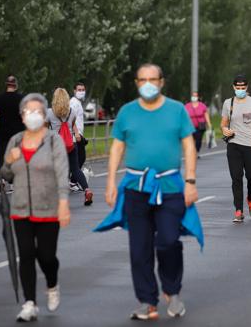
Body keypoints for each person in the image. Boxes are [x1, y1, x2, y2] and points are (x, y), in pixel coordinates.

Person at [102, 63, 199, 320]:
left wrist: (190, 181)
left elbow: (189, 146)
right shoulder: (127, 112)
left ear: (161, 82)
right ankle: (147, 300)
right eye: (142, 79)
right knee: (139, 248)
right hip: (136, 189)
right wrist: (111, 181)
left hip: (169, 188)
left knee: (168, 241)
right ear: (136, 83)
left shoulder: (176, 110)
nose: (147, 83)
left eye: (152, 79)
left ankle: (172, 291)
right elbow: (117, 148)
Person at [0, 93, 71, 322]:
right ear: (22, 116)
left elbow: (62, 173)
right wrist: (9, 161)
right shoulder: (15, 141)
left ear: (44, 114)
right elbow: (5, 175)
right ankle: (29, 303)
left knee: (47, 256)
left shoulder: (53, 141)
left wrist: (63, 203)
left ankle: (52, 283)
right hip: (21, 209)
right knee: (26, 255)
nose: (33, 116)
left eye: (37, 111)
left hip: (48, 209)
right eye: (28, 112)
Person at [221, 74, 251, 223]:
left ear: (246, 88)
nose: (240, 90)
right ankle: (238, 210)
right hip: (234, 145)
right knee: (236, 178)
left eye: (243, 88)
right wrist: (224, 130)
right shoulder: (228, 103)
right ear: (233, 87)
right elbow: (223, 123)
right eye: (237, 87)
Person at [46, 88, 93, 205]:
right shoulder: (71, 112)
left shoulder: (49, 112)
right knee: (76, 170)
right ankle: (87, 190)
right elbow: (72, 125)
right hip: (70, 145)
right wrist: (76, 134)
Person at [0, 75, 25, 181]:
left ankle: (1, 178)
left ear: (6, 85)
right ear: (16, 85)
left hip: (3, 131)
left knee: (2, 155)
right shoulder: (21, 98)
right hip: (17, 131)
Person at [69, 82, 88, 191]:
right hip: (76, 135)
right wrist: (76, 133)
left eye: (83, 89)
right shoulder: (73, 103)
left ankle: (73, 180)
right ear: (74, 91)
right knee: (80, 158)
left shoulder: (78, 102)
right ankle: (72, 181)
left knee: (78, 159)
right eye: (79, 90)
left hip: (79, 134)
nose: (81, 92)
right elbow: (71, 119)